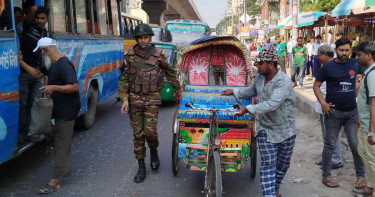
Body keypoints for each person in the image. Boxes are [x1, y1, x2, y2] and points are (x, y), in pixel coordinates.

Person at [222, 48, 296, 197]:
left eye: (260, 63)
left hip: (285, 130)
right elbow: (252, 91)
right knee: (268, 165)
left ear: (271, 64)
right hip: (265, 128)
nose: (257, 66)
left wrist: (247, 109)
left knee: (282, 165)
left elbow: (272, 104)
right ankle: (269, 195)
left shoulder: (283, 81)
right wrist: (234, 91)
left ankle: (275, 188)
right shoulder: (260, 78)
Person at [118, 23, 181, 183]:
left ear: (150, 37)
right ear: (137, 39)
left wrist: (178, 91)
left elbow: (170, 72)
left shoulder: (158, 54)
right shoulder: (130, 56)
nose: (143, 40)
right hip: (135, 99)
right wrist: (124, 99)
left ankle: (153, 149)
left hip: (152, 98)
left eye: (146, 37)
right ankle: (141, 166)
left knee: (151, 132)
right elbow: (124, 78)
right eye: (140, 37)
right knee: (138, 134)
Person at [17, 38, 80, 194]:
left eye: (41, 52)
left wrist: (53, 87)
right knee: (57, 137)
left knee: (61, 144)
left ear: (46, 50)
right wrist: (21, 62)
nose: (41, 55)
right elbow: (37, 74)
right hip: (57, 109)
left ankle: (56, 180)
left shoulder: (63, 64)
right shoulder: (50, 64)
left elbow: (75, 86)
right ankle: (62, 145)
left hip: (67, 110)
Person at [313, 38, 366, 188]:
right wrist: (323, 103)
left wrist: (359, 87)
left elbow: (369, 73)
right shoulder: (328, 67)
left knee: (355, 145)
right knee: (329, 145)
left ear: (350, 50)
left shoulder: (354, 64)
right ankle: (326, 175)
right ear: (335, 50)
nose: (344, 53)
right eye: (341, 50)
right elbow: (316, 85)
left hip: (351, 113)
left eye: (347, 50)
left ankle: (361, 176)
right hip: (333, 112)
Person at [18, 6, 53, 143]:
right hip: (26, 73)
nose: (39, 20)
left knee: (35, 104)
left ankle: (32, 133)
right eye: (37, 18)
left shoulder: (48, 36)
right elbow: (32, 10)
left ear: (47, 20)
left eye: (42, 18)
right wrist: (35, 9)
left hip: (39, 75)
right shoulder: (27, 28)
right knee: (23, 104)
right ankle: (21, 133)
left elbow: (49, 58)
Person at [314, 45, 343, 169]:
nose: (317, 57)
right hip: (324, 104)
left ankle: (335, 159)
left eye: (319, 55)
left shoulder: (331, 67)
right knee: (326, 134)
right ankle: (328, 157)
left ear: (325, 55)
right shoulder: (326, 66)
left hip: (328, 105)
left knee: (331, 135)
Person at [355, 41, 375, 196]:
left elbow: (374, 103)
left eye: (359, 54)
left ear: (368, 55)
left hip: (370, 126)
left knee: (372, 160)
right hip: (364, 123)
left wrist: (371, 131)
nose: (357, 57)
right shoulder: (368, 72)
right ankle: (370, 186)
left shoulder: (373, 74)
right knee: (364, 154)